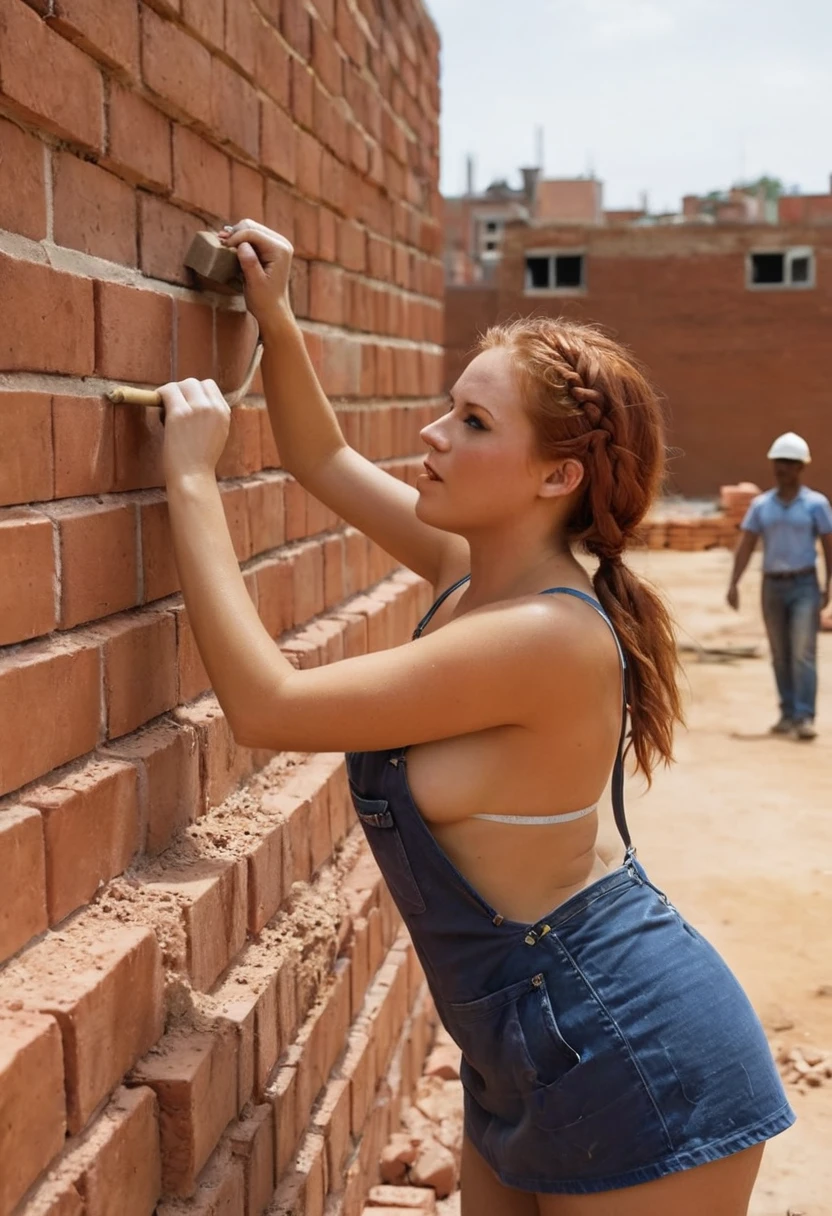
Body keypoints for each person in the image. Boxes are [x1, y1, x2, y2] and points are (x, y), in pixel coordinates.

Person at [158, 220, 794, 1215]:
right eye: (448, 411)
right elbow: (320, 457)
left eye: (472, 422)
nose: (432, 435)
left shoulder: (544, 636)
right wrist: (274, 317)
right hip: (523, 1041)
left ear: (556, 477)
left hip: (631, 1051)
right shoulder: (474, 577)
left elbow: (266, 704)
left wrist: (189, 478)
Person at [727, 433, 832, 740]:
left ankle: (804, 717)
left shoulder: (816, 504)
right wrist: (733, 582)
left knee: (803, 652)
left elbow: (828, 545)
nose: (781, 468)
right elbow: (746, 544)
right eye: (778, 462)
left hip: (804, 586)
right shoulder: (761, 506)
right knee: (780, 653)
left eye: (788, 463)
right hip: (772, 587)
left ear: (801, 467)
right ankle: (787, 713)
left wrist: (829, 586)